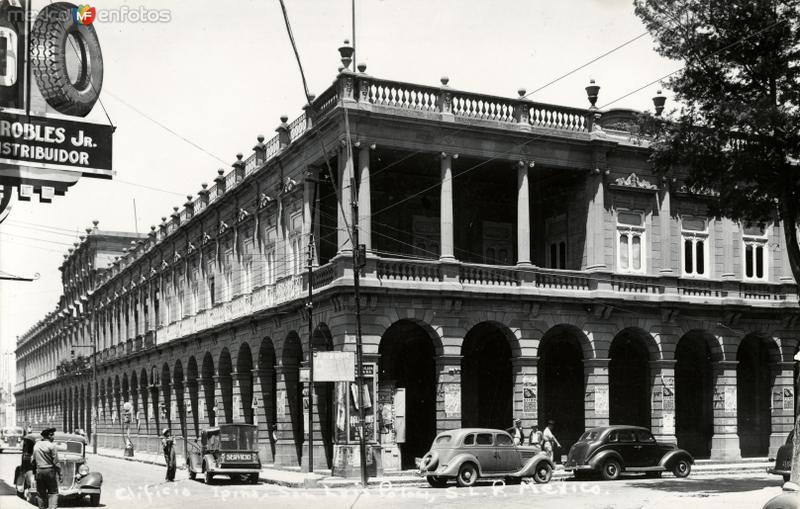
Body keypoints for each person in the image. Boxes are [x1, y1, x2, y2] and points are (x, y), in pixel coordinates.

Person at [32, 427, 61, 509]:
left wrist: (35, 473)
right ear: (49, 435)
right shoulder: (52, 446)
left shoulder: (36, 445)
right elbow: (56, 463)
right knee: (53, 492)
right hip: (50, 471)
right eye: (52, 435)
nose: (53, 437)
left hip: (39, 471)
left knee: (41, 493)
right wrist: (60, 474)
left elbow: (33, 461)